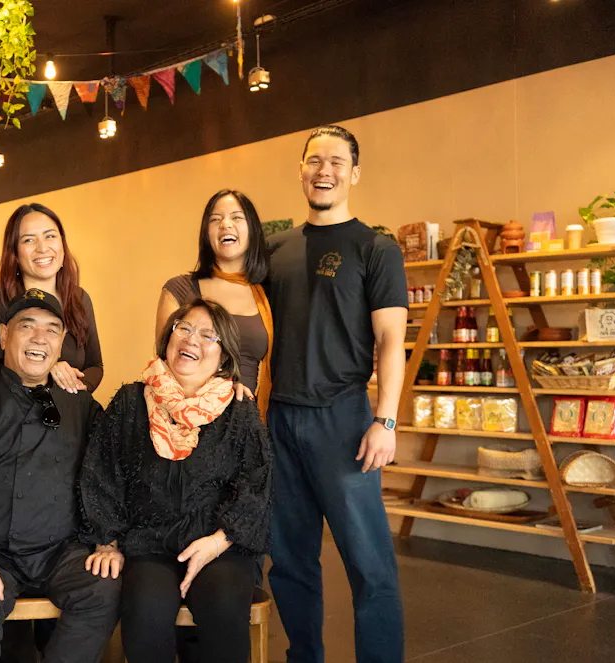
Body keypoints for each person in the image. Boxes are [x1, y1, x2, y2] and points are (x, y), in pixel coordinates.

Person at [265, 125, 408, 663]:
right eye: (313, 160)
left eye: (335, 161)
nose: (323, 170)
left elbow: (392, 342)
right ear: (300, 170)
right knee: (290, 561)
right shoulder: (275, 249)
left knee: (370, 566)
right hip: (279, 421)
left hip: (344, 421)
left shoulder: (376, 248)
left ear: (354, 173)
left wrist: (386, 421)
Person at [0, 289, 120, 663]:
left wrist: (109, 540)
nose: (39, 338)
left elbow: (109, 476)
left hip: (61, 551)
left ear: (62, 342)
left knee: (104, 588)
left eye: (51, 330)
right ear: (3, 335)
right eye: (26, 326)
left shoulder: (78, 402)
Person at [80, 299, 271, 663]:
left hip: (219, 544)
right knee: (145, 614)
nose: (191, 340)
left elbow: (257, 484)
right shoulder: (130, 402)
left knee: (223, 608)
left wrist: (218, 542)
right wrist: (106, 540)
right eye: (184, 328)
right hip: (150, 543)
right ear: (168, 337)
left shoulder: (239, 410)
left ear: (224, 356)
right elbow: (101, 473)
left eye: (208, 335)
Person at [156, 190, 273, 418]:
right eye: (215, 219)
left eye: (237, 217)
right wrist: (221, 391)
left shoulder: (266, 294)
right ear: (206, 233)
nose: (225, 224)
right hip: (189, 419)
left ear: (253, 230)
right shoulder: (181, 288)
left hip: (246, 419)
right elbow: (164, 366)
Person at [0, 202, 103, 395]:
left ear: (62, 244)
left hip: (72, 415)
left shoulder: (79, 298)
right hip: (14, 421)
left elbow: (95, 366)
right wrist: (43, 370)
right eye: (28, 240)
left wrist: (76, 389)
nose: (42, 248)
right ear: (14, 253)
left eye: (50, 236)